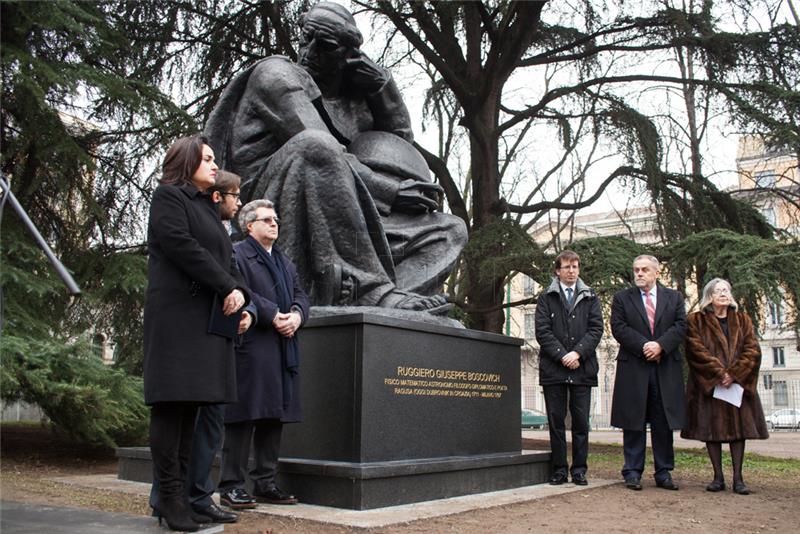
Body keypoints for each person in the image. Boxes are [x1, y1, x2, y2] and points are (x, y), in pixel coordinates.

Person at [204, 2, 466, 314]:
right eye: (306, 37)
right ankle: (372, 291)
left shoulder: (355, 102)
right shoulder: (275, 74)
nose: (309, 50)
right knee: (315, 146)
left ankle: (387, 302)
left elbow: (398, 144)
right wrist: (392, 193)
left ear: (349, 56)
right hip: (274, 201)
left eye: (325, 45)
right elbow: (324, 151)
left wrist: (383, 88)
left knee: (450, 230)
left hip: (348, 204)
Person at [143, 136, 250, 532]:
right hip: (177, 321)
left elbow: (227, 260)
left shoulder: (208, 208)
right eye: (206, 158)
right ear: (186, 162)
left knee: (190, 412)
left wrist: (241, 297)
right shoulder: (168, 197)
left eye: (213, 158)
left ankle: (184, 498)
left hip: (205, 323)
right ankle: (169, 499)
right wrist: (227, 287)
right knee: (172, 409)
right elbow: (181, 246)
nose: (213, 164)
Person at [218, 199, 310, 509]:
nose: (274, 224)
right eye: (267, 219)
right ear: (249, 225)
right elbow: (243, 290)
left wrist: (296, 315)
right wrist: (272, 315)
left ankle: (265, 482)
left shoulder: (285, 262)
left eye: (276, 220)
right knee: (243, 416)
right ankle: (231, 485)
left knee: (274, 416)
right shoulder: (238, 254)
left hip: (284, 345)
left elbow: (300, 295)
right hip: (253, 344)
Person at [681, 278, 768, 495]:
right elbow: (695, 349)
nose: (724, 294)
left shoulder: (743, 319)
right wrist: (719, 374)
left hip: (738, 385)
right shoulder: (696, 320)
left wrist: (735, 373)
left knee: (739, 432)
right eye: (719, 291)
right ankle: (717, 477)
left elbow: (752, 349)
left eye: (727, 290)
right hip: (710, 385)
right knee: (712, 431)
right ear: (709, 296)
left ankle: (738, 478)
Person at [610, 255, 687, 491]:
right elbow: (619, 327)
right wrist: (645, 345)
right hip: (635, 366)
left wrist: (660, 345)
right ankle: (632, 471)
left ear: (657, 273)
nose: (639, 274)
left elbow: (681, 326)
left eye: (644, 270)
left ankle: (663, 472)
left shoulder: (674, 298)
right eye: (636, 270)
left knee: (662, 420)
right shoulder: (622, 298)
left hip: (664, 367)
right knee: (634, 419)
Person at [535, 250, 603, 486]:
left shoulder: (591, 297)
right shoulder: (546, 297)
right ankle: (559, 469)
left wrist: (577, 354)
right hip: (554, 370)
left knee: (581, 422)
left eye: (575, 266)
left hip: (582, 369)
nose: (572, 271)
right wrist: (563, 356)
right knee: (556, 422)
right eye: (567, 267)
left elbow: (596, 329)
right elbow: (542, 331)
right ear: (558, 270)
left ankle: (580, 470)